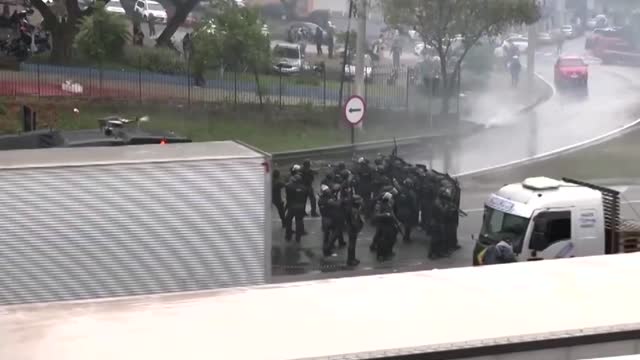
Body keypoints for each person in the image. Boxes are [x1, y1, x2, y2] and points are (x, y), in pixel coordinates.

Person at [373, 192, 397, 262]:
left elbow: (392, 214)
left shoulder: (389, 204)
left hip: (389, 224)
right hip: (382, 225)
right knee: (382, 241)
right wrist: (386, 214)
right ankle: (380, 255)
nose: (391, 199)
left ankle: (387, 253)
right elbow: (376, 215)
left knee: (390, 239)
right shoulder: (379, 205)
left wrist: (397, 222)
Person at [284, 174, 307, 243]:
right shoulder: (304, 188)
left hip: (292, 206)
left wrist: (286, 207)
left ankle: (288, 236)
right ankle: (298, 238)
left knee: (288, 220)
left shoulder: (289, 187)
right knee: (299, 222)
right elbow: (305, 199)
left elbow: (288, 197)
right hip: (300, 207)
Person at [345, 194, 364, 266]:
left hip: (350, 228)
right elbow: (354, 221)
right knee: (352, 244)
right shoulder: (354, 210)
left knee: (352, 244)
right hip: (352, 229)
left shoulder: (351, 208)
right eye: (359, 200)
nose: (361, 201)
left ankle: (352, 259)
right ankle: (351, 260)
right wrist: (357, 228)